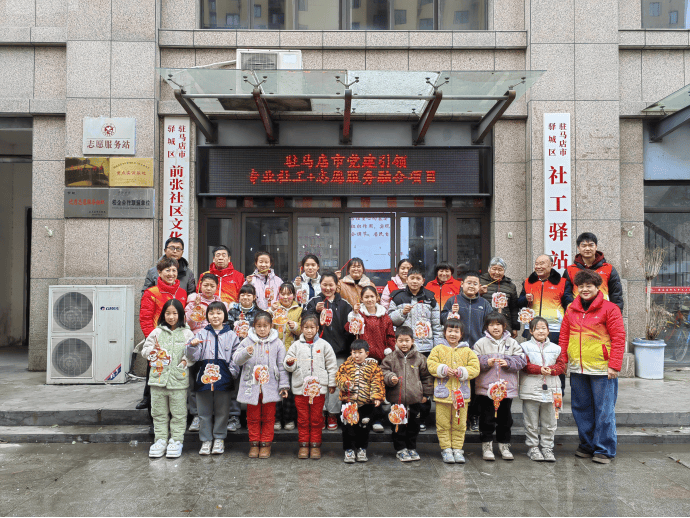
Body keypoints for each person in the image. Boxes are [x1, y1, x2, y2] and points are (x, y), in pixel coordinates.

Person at [558, 270, 625, 464]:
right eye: (581, 286)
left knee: (604, 410)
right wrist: (563, 361)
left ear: (597, 287)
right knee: (581, 408)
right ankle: (586, 445)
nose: (585, 289)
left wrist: (614, 365)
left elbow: (619, 338)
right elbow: (564, 336)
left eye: (589, 286)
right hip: (578, 368)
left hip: (602, 369)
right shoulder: (571, 309)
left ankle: (604, 449)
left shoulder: (610, 308)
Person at [388, 267, 441, 431]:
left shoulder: (430, 298)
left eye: (418, 278)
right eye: (412, 278)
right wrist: (401, 313)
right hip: (403, 348)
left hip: (425, 348)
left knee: (423, 382)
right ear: (406, 279)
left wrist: (438, 347)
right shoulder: (398, 297)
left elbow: (436, 325)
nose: (415, 281)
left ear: (423, 281)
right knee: (403, 382)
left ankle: (422, 417)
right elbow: (390, 321)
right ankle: (400, 415)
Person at [141, 299, 195, 458]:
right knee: (158, 413)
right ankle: (160, 440)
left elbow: (192, 353)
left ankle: (176, 440)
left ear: (181, 315)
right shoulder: (156, 332)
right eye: (168, 313)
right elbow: (145, 350)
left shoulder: (187, 333)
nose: (171, 317)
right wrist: (153, 352)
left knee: (179, 414)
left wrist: (185, 362)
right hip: (157, 380)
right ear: (163, 315)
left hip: (178, 380)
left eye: (175, 313)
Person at [440, 270, 493, 432]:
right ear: (462, 284)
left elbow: (490, 325)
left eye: (475, 283)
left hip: (477, 349)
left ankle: (474, 416)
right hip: (456, 349)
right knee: (456, 382)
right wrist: (451, 313)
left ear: (479, 286)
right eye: (468, 283)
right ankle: (455, 415)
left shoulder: (484, 304)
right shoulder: (453, 300)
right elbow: (442, 320)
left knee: (475, 384)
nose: (471, 286)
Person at [185, 301, 240, 456]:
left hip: (224, 378)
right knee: (204, 412)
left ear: (225, 315)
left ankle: (219, 438)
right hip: (204, 378)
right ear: (207, 316)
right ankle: (206, 440)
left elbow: (236, 357)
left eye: (219, 313)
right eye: (211, 313)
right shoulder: (201, 334)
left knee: (223, 411)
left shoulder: (231, 335)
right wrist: (192, 346)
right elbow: (193, 357)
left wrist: (231, 373)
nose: (215, 316)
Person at [233, 311, 289, 459]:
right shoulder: (247, 341)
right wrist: (246, 353)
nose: (262, 329)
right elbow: (236, 359)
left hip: (270, 387)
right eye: (259, 326)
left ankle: (266, 444)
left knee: (269, 417)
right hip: (251, 387)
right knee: (252, 417)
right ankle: (254, 443)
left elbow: (282, 366)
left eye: (265, 326)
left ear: (271, 326)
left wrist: (283, 386)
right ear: (254, 326)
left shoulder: (277, 343)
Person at [138, 257, 189, 413]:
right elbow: (145, 318)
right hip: (159, 342)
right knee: (155, 377)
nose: (171, 274)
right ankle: (153, 415)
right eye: (167, 270)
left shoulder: (182, 293)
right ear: (159, 273)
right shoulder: (151, 292)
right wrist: (153, 340)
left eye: (174, 270)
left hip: (177, 341)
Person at [283, 313, 338, 460]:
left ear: (317, 328)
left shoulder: (324, 345)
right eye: (306, 328)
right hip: (300, 389)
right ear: (301, 328)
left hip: (318, 390)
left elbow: (332, 365)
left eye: (312, 327)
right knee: (302, 418)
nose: (309, 330)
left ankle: (315, 445)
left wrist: (332, 383)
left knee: (316, 418)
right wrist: (289, 363)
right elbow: (288, 364)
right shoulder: (296, 345)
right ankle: (303, 444)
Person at [473, 312, 526, 461]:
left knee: (505, 419)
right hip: (486, 389)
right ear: (486, 327)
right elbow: (473, 361)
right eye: (491, 325)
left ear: (504, 326)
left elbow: (522, 361)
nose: (495, 328)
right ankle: (487, 445)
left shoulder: (512, 343)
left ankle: (504, 445)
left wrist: (508, 363)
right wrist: (486, 362)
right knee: (487, 418)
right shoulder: (480, 343)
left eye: (498, 324)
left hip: (506, 390)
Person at [427, 319, 480, 464]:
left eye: (456, 331)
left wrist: (462, 371)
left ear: (461, 334)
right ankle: (446, 449)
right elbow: (431, 364)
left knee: (460, 424)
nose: (452, 334)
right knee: (442, 424)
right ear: (445, 332)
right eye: (450, 331)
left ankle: (457, 449)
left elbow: (475, 368)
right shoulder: (438, 349)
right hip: (443, 395)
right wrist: (443, 369)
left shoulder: (467, 351)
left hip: (461, 395)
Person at [306, 271, 354, 430]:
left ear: (337, 285)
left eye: (331, 285)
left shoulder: (345, 304)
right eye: (324, 285)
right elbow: (305, 323)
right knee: (318, 382)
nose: (327, 288)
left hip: (339, 352)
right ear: (320, 285)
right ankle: (319, 413)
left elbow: (350, 329)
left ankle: (332, 414)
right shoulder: (314, 302)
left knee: (335, 383)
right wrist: (315, 312)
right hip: (317, 351)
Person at [518, 254, 572, 393]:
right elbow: (519, 303)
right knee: (533, 360)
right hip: (532, 329)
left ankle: (558, 392)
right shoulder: (527, 282)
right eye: (537, 263)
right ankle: (533, 390)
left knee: (555, 360)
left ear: (551, 265)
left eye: (542, 263)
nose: (538, 266)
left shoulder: (563, 282)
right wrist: (525, 299)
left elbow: (568, 301)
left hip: (554, 329)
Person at [380, 327, 434, 462]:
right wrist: (390, 377)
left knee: (414, 426)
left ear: (413, 341)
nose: (404, 344)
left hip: (415, 399)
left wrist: (426, 394)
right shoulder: (390, 358)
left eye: (407, 340)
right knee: (398, 426)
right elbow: (383, 372)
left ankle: (411, 448)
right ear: (395, 342)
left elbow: (427, 377)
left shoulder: (420, 358)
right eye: (401, 341)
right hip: (397, 400)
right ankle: (400, 449)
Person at [347, 285, 396, 433]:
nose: (369, 299)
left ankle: (377, 419)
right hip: (363, 358)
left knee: (377, 389)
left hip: (380, 358)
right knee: (364, 389)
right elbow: (349, 329)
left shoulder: (384, 316)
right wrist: (354, 315)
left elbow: (391, 336)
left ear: (377, 298)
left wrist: (389, 349)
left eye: (372, 296)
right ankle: (364, 417)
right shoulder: (359, 314)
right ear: (361, 299)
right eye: (366, 297)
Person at [184, 273, 227, 433]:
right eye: (205, 285)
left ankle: (213, 414)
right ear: (200, 285)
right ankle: (196, 415)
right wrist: (194, 308)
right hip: (197, 343)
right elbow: (188, 323)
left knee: (214, 379)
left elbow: (223, 323)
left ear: (217, 287)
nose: (208, 288)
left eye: (212, 286)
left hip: (215, 344)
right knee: (195, 380)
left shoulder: (220, 303)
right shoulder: (192, 301)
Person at [519, 316, 565, 463]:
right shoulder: (524, 347)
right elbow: (524, 365)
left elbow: (561, 366)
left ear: (548, 331)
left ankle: (547, 448)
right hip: (531, 390)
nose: (540, 331)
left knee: (550, 423)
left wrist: (551, 370)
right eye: (537, 328)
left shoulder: (556, 348)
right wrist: (539, 369)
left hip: (552, 391)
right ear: (531, 331)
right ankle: (533, 447)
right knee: (531, 422)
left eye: (543, 328)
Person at [335, 340, 385, 463]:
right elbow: (339, 379)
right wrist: (345, 384)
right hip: (349, 403)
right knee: (348, 428)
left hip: (366, 404)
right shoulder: (345, 366)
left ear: (366, 353)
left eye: (360, 352)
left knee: (364, 427)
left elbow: (377, 383)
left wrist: (377, 397)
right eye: (354, 352)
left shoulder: (374, 367)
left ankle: (362, 449)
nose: (357, 355)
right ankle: (349, 450)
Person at [225, 284, 258, 433]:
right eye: (242, 295)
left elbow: (263, 330)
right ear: (238, 297)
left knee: (253, 384)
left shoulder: (259, 313)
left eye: (249, 295)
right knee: (235, 384)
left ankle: (253, 417)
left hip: (253, 352)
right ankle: (234, 416)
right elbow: (226, 329)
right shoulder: (232, 312)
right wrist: (236, 327)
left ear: (254, 297)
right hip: (236, 351)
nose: (245, 297)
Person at [564, 232, 624, 312]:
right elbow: (566, 295)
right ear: (578, 248)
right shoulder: (570, 270)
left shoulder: (608, 269)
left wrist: (616, 314)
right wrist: (571, 311)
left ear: (596, 246)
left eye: (591, 245)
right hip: (578, 314)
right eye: (584, 246)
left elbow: (616, 295)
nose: (587, 249)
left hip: (603, 313)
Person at [270, 283, 302, 432]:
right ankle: (276, 419)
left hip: (291, 353)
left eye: (289, 294)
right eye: (282, 294)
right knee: (275, 387)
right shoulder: (274, 309)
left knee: (289, 387)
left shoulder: (299, 310)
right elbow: (265, 327)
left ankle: (289, 418)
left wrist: (294, 326)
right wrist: (272, 311)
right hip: (274, 353)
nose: (285, 297)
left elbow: (304, 331)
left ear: (294, 295)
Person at [478, 258, 520, 337]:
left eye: (500, 270)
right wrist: (479, 293)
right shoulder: (480, 281)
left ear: (504, 271)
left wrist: (515, 327)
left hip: (504, 322)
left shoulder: (510, 286)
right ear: (489, 269)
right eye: (494, 269)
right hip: (484, 322)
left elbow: (514, 308)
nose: (497, 272)